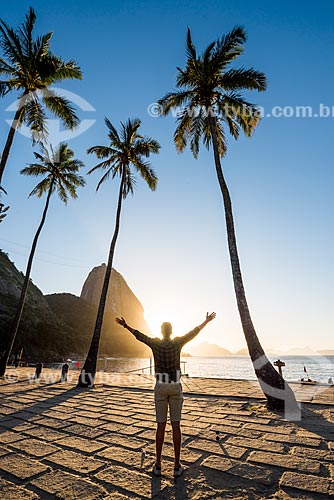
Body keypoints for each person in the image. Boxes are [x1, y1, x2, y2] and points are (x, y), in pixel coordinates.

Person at [116, 311, 216, 477]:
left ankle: (158, 465)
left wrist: (126, 325)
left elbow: (139, 336)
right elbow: (194, 332)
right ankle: (177, 466)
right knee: (176, 425)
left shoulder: (155, 343)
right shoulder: (178, 342)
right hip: (175, 386)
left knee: (160, 426)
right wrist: (206, 321)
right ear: (171, 331)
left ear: (161, 332)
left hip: (161, 386)